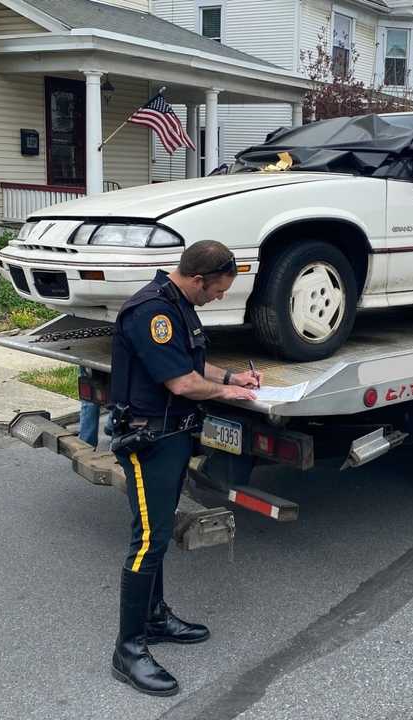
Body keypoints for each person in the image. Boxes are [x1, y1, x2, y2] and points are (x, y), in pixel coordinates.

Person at [108, 240, 262, 697]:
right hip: (149, 441)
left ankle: (154, 619)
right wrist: (229, 396)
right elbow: (181, 382)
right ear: (198, 278)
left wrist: (234, 378)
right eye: (218, 290)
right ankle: (128, 649)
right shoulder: (150, 312)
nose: (218, 297)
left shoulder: (177, 304)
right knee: (148, 542)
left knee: (156, 534)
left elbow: (192, 363)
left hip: (172, 436)